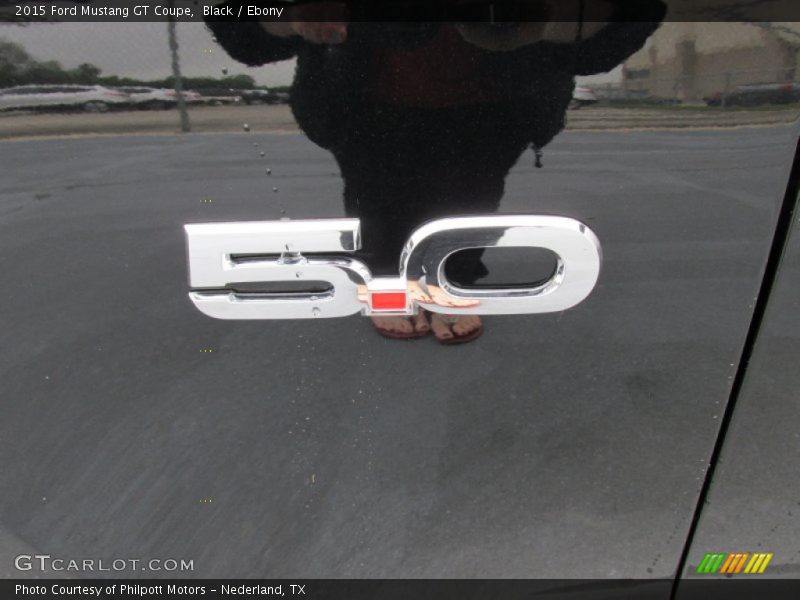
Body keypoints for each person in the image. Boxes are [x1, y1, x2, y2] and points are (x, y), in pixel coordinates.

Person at [206, 0, 665, 343]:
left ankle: (451, 279)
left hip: (491, 102)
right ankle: (389, 280)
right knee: (375, 196)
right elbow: (240, 29)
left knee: (473, 196)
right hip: (368, 100)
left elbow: (626, 22)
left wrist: (550, 22)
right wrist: (290, 16)